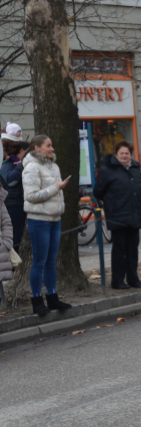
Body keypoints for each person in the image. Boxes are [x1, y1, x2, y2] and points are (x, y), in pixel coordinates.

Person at [22, 135, 72, 316]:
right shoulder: (31, 167)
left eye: (52, 145)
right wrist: (56, 188)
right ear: (37, 148)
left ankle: (52, 298)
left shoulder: (54, 166)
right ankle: (37, 301)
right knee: (39, 262)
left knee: (51, 261)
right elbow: (31, 196)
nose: (52, 148)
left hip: (54, 219)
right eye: (48, 145)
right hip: (39, 220)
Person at [94, 140, 141, 290]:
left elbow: (139, 188)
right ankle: (117, 280)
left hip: (134, 214)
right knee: (119, 250)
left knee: (133, 250)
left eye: (127, 153)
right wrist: (113, 202)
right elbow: (98, 191)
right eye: (121, 153)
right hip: (117, 215)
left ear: (131, 155)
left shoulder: (136, 168)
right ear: (116, 154)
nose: (124, 156)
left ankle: (133, 279)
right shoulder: (107, 170)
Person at [1, 127, 28, 251]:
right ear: (21, 151)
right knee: (14, 238)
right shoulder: (8, 164)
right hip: (12, 205)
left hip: (18, 204)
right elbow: (10, 181)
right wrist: (20, 167)